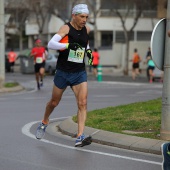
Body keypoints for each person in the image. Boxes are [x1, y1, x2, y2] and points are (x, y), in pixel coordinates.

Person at [35, 4, 93, 147]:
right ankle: (44, 121)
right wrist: (67, 46)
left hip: (79, 72)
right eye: (82, 17)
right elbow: (51, 44)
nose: (84, 20)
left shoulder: (87, 29)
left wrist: (89, 52)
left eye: (86, 17)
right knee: (54, 102)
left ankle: (80, 137)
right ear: (74, 15)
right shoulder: (66, 28)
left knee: (83, 103)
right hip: (63, 72)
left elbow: (85, 44)